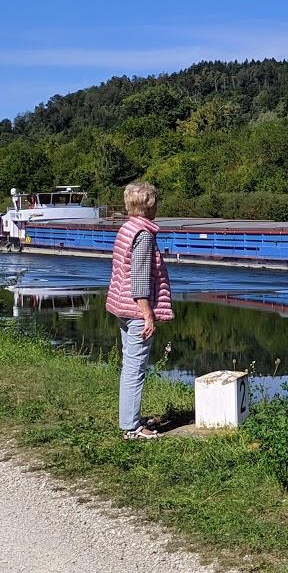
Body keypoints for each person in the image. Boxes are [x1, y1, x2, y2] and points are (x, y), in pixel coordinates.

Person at [105, 182, 174, 440]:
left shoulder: (126, 229)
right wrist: (148, 315)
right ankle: (131, 428)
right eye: (155, 202)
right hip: (136, 311)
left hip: (121, 308)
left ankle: (129, 419)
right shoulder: (143, 235)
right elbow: (140, 281)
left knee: (129, 366)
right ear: (148, 205)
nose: (157, 206)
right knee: (135, 368)